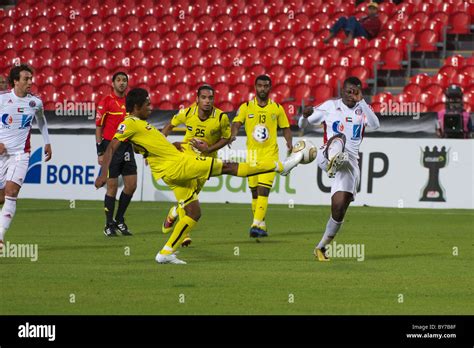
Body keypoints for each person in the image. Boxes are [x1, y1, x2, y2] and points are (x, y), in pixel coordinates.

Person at [95, 88, 303, 264]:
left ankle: (166, 252)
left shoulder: (141, 125)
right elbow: (112, 148)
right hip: (180, 165)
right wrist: (103, 173)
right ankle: (280, 166)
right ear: (136, 107)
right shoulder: (129, 123)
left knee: (193, 212)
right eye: (147, 104)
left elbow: (150, 145)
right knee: (229, 167)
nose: (151, 107)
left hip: (171, 167)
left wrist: (172, 145)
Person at [298, 77, 380, 261]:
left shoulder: (362, 109)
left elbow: (376, 125)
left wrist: (363, 101)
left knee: (339, 207)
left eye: (355, 92)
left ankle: (321, 247)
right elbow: (302, 126)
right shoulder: (329, 106)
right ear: (342, 91)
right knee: (339, 139)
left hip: (349, 162)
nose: (351, 95)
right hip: (327, 152)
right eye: (349, 91)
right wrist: (303, 116)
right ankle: (331, 162)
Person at [160, 85, 231, 247]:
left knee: (192, 196)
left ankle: (173, 213)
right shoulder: (187, 113)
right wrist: (159, 147)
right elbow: (169, 125)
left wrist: (209, 149)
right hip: (187, 156)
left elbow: (226, 138)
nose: (207, 101)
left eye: (210, 98)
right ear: (197, 99)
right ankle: (184, 235)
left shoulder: (221, 118)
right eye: (204, 97)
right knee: (190, 196)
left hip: (207, 160)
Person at [230, 75, 292, 238]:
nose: (263, 89)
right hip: (252, 156)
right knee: (255, 193)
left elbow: (285, 127)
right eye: (260, 86)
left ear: (270, 88)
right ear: (255, 87)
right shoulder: (246, 107)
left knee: (264, 190)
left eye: (266, 86)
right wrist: (233, 134)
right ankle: (261, 224)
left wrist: (289, 142)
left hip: (270, 156)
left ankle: (254, 225)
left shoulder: (277, 108)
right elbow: (236, 123)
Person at [0, 64, 52, 250]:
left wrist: (47, 141)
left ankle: (0, 236)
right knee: (1, 198)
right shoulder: (3, 99)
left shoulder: (35, 102)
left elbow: (41, 120)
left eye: (31, 78)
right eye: (26, 79)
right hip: (1, 155)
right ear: (15, 81)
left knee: (11, 192)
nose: (30, 82)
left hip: (21, 154)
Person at [95, 72, 137, 237]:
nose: (122, 83)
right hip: (110, 147)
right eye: (118, 80)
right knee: (111, 187)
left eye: (124, 80)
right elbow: (99, 127)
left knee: (131, 186)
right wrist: (100, 151)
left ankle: (119, 219)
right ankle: (108, 224)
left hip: (127, 147)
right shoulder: (106, 101)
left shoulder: (130, 103)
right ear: (112, 83)